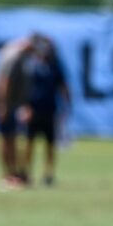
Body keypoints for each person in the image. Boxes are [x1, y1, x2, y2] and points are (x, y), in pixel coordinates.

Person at [0, 34, 40, 189]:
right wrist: (2, 105)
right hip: (5, 104)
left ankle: (15, 173)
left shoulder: (22, 57)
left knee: (12, 138)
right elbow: (5, 82)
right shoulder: (14, 56)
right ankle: (7, 175)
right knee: (6, 139)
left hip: (12, 104)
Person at [20, 36, 71, 187]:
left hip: (50, 110)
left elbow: (63, 86)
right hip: (33, 110)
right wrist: (25, 107)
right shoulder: (31, 66)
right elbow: (24, 89)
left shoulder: (55, 66)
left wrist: (67, 105)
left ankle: (48, 174)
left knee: (50, 144)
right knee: (29, 143)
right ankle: (27, 172)